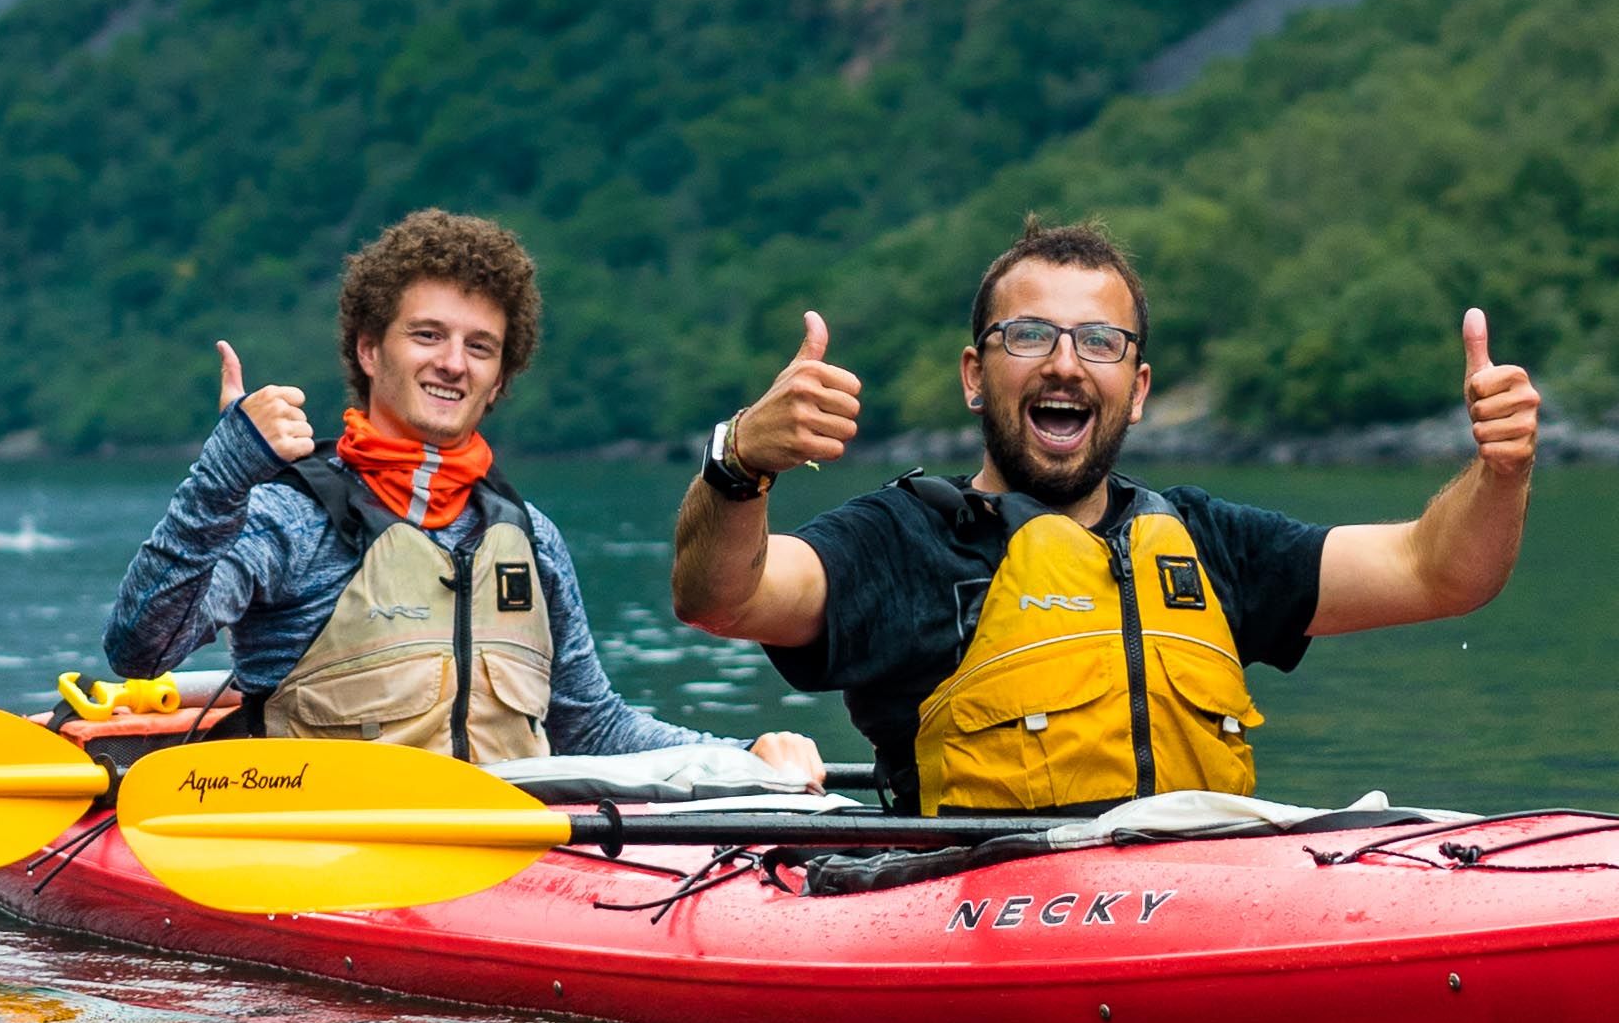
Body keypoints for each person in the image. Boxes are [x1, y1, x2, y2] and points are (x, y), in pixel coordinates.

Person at [667, 218, 1538, 813]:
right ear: (975, 375)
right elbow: (721, 598)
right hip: (980, 924)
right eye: (1029, 335)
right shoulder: (902, 543)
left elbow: (1441, 570)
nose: (1064, 363)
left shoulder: (1207, 541)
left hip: (1200, 902)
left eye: (1099, 341)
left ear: (1140, 387)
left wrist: (1502, 470)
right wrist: (739, 459)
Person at [108, 208, 827, 780]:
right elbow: (142, 647)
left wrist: (741, 758)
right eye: (427, 334)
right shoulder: (290, 515)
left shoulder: (529, 536)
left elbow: (591, 725)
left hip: (510, 871)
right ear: (368, 349)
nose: (453, 362)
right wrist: (226, 469)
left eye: (480, 346)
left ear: (500, 375)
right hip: (324, 856)